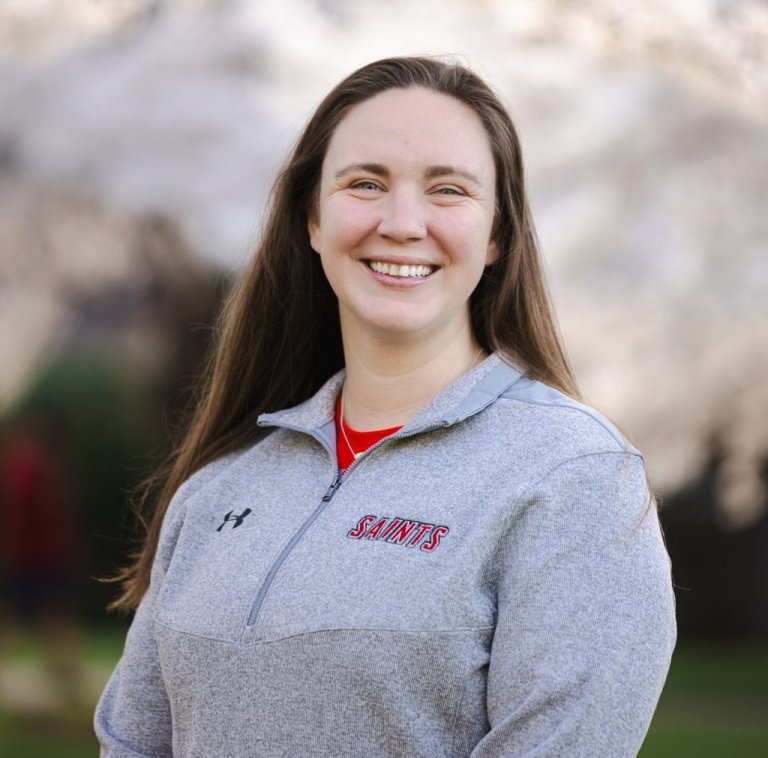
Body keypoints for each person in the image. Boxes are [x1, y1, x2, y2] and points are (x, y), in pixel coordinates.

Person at [95, 56, 676, 757]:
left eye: (448, 190)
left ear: (497, 234)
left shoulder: (574, 478)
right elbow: (130, 742)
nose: (403, 223)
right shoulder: (218, 489)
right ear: (313, 217)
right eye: (365, 184)